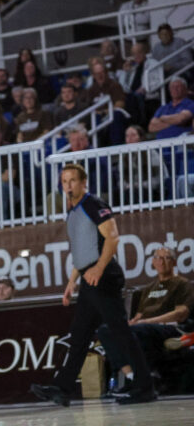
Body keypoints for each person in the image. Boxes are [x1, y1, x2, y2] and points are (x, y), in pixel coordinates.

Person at [31, 164, 154, 406]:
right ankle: (63, 388)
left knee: (120, 331)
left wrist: (98, 268)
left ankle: (144, 386)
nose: (67, 186)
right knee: (79, 335)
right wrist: (71, 281)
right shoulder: (73, 211)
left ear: (83, 182)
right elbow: (81, 249)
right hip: (89, 277)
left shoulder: (93, 204)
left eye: (72, 180)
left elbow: (113, 237)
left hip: (103, 276)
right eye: (64, 181)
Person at [97, 247, 193, 395]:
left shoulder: (182, 284)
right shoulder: (148, 289)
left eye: (166, 258)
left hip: (169, 328)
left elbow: (181, 313)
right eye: (157, 258)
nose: (161, 262)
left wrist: (149, 321)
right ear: (153, 262)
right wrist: (128, 323)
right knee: (105, 331)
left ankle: (143, 381)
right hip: (145, 327)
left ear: (173, 262)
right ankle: (131, 377)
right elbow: (139, 317)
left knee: (138, 331)